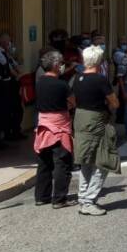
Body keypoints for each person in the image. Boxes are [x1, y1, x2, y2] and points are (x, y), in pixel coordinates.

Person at [71, 45, 120, 216]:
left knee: (86, 160)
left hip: (80, 119)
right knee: (105, 161)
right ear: (99, 61)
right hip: (97, 120)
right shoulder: (100, 80)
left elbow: (71, 100)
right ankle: (89, 200)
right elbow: (114, 103)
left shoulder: (77, 78)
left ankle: (83, 198)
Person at [33, 50, 76, 209]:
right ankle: (59, 199)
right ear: (56, 65)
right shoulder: (61, 84)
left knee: (44, 162)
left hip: (43, 124)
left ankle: (41, 196)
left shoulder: (40, 82)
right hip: (59, 126)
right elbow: (73, 102)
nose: (63, 66)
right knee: (62, 162)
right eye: (62, 63)